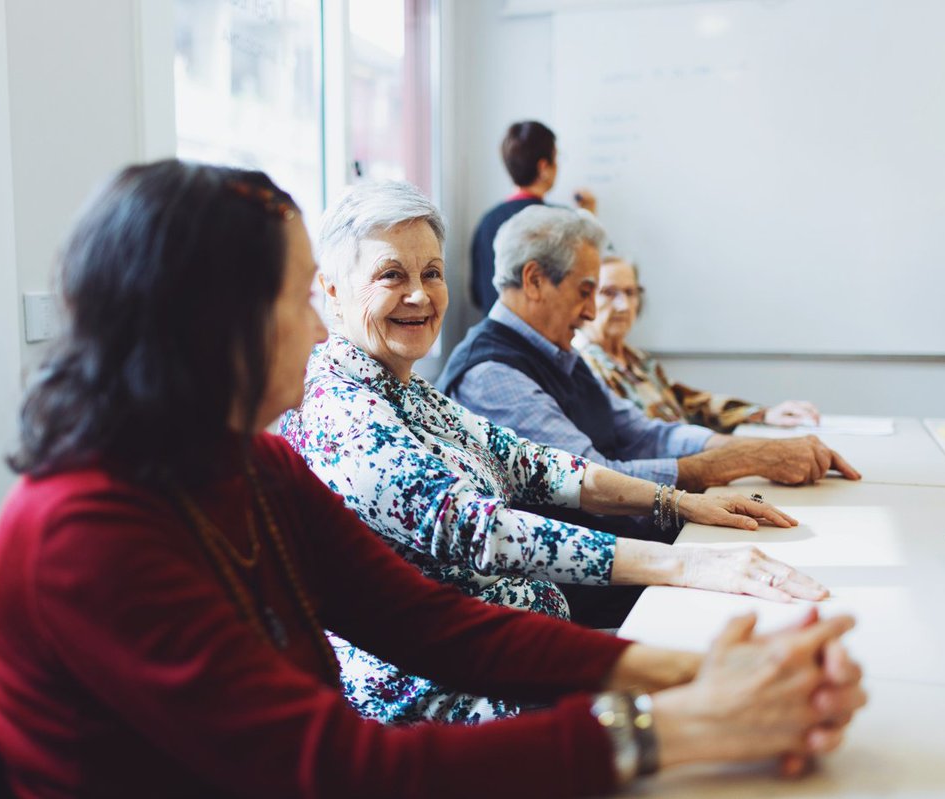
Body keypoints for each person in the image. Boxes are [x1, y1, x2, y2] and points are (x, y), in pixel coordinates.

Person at [0, 160, 865, 798]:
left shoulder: (252, 464)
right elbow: (330, 765)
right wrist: (686, 722)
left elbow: (429, 622)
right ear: (213, 328)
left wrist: (693, 670)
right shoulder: (80, 533)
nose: (318, 333)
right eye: (298, 302)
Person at [282, 180, 827, 718]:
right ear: (331, 290)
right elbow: (478, 529)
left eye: (431, 273)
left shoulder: (402, 386)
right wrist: (685, 563)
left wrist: (678, 503)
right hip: (448, 694)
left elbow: (531, 463)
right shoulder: (341, 410)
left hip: (519, 653)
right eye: (391, 275)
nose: (420, 295)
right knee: (734, 703)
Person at [441, 205, 862, 492]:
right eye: (587, 292)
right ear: (533, 280)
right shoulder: (493, 375)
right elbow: (593, 480)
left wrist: (760, 451)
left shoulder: (555, 351)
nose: (592, 312)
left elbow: (644, 433)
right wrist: (746, 461)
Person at [576, 256, 820, 432]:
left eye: (631, 293)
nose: (624, 306)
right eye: (609, 292)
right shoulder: (582, 367)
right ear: (585, 298)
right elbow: (636, 440)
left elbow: (690, 404)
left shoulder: (638, 359)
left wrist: (764, 414)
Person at [470, 120, 597, 311]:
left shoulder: (487, 221)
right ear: (544, 167)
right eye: (557, 158)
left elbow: (477, 293)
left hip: (495, 330)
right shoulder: (563, 221)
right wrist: (588, 215)